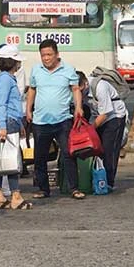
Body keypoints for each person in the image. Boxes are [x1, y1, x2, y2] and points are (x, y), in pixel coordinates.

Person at [26, 39, 83, 199]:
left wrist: (78, 107)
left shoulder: (68, 69)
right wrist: (28, 109)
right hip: (40, 121)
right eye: (43, 55)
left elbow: (75, 89)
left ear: (57, 54)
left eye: (49, 54)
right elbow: (32, 90)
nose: (46, 58)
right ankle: (43, 189)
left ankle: (74, 188)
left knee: (68, 154)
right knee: (40, 157)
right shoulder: (36, 70)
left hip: (62, 120)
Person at [0, 50, 33, 210]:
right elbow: (1, 104)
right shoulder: (5, 80)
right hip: (8, 122)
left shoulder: (5, 78)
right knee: (12, 160)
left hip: (10, 121)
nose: (19, 63)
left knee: (1, 158)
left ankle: (0, 195)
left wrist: (19, 124)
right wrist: (3, 126)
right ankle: (15, 195)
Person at [86, 69, 128, 192]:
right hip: (97, 117)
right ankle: (96, 178)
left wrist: (90, 130)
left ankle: (108, 182)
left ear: (85, 84)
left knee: (110, 150)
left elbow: (105, 113)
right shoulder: (76, 88)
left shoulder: (100, 87)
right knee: (97, 149)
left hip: (114, 116)